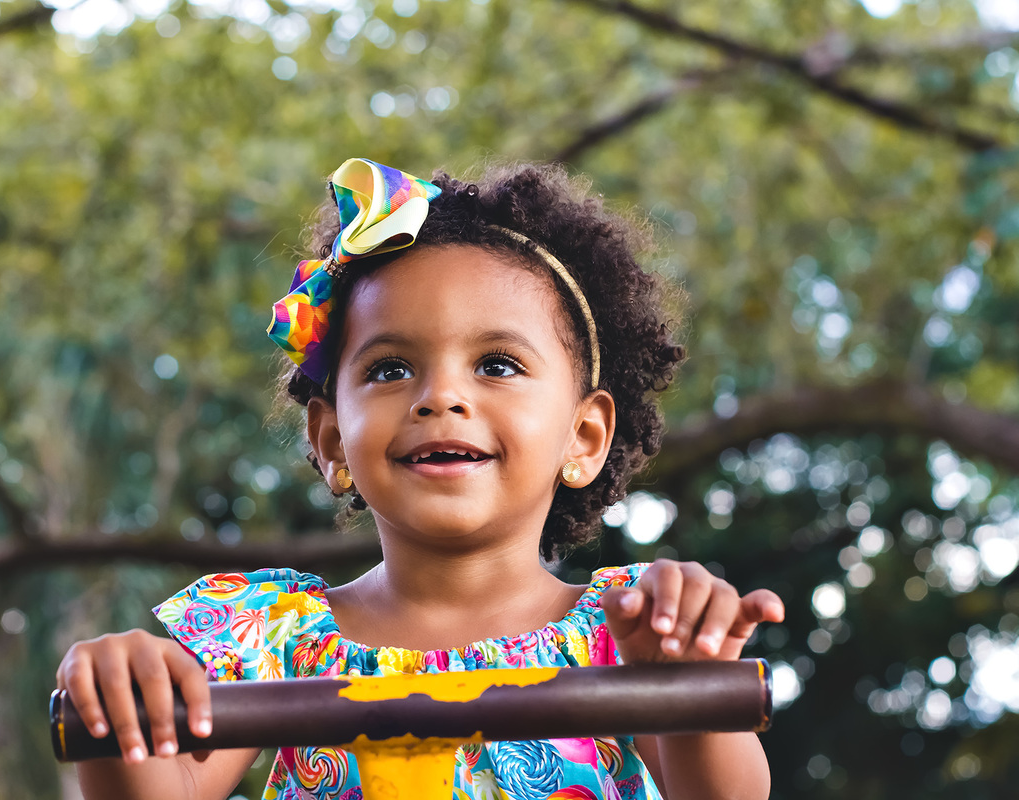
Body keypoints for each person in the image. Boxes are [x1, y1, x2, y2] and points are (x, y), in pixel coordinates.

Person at [56, 159, 785, 800]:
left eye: (497, 364)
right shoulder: (271, 639)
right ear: (332, 440)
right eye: (390, 369)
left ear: (584, 436)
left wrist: (682, 684)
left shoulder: (624, 633)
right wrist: (121, 703)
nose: (440, 397)